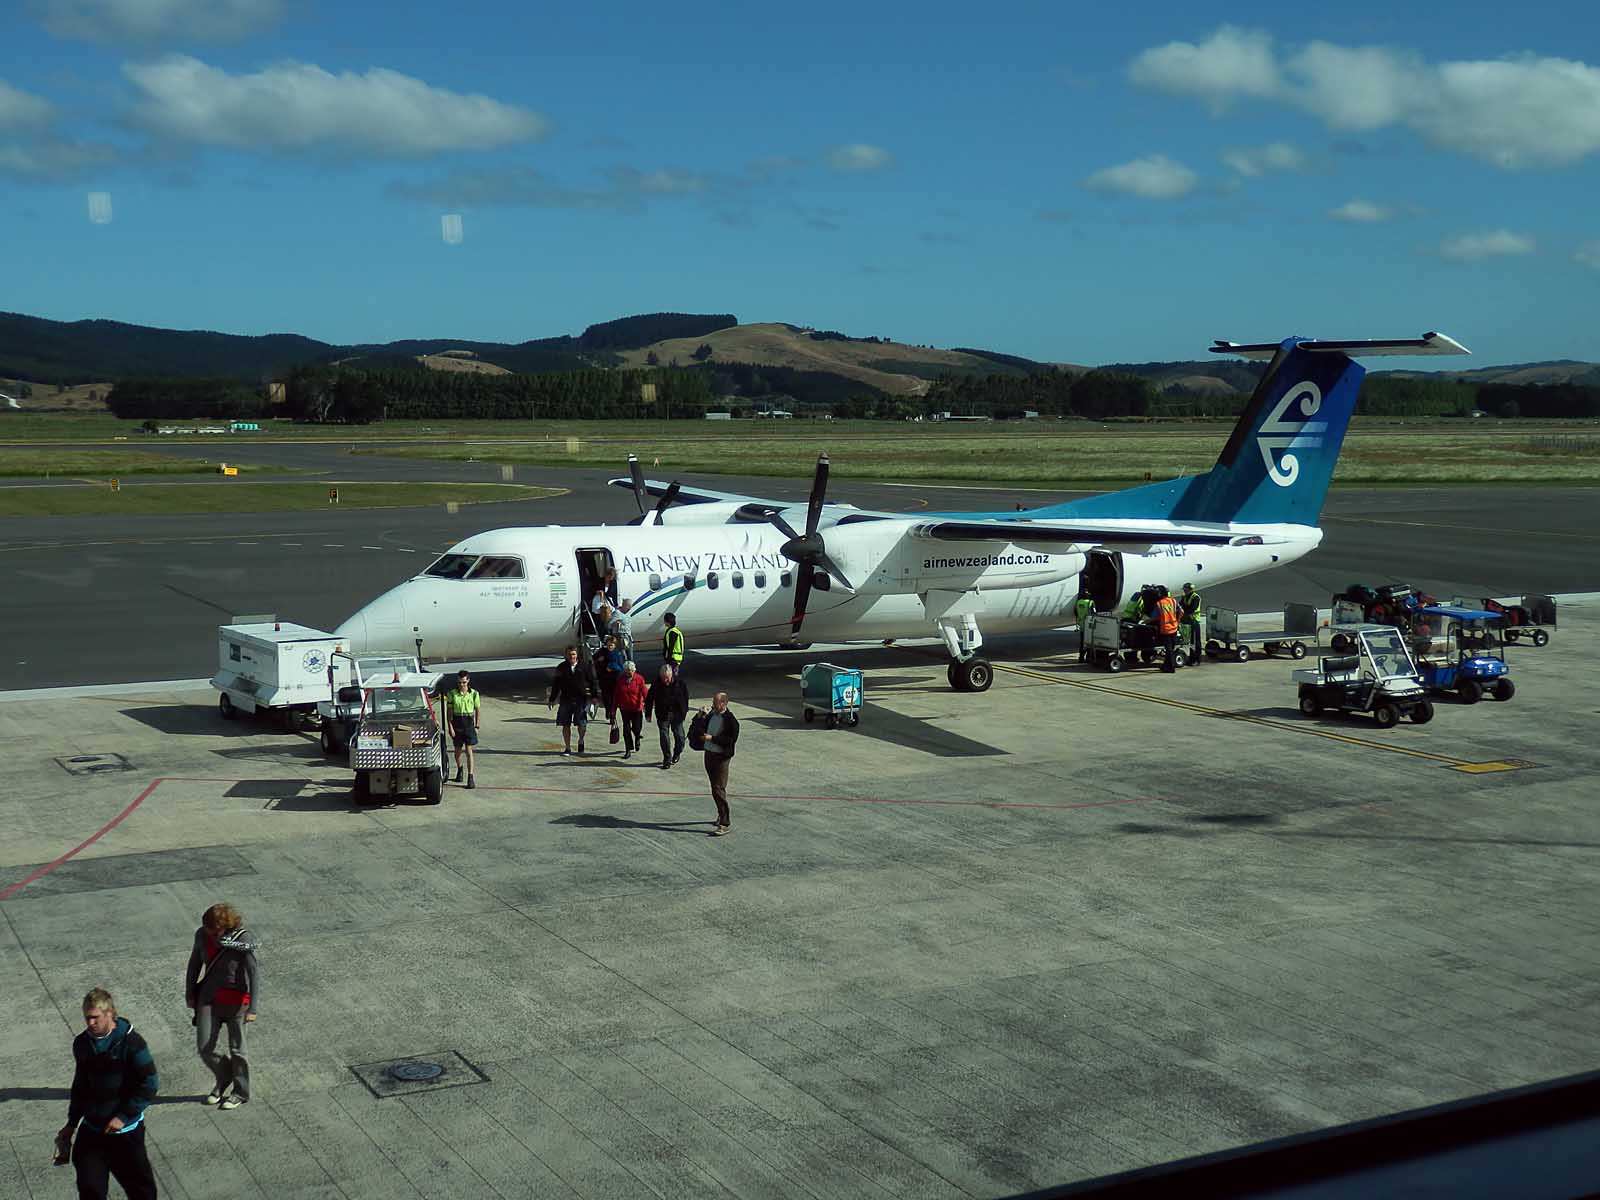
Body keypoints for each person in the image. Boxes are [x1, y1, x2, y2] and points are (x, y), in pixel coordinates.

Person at [60, 987, 160, 1200]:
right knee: (90, 1188)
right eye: (87, 1018)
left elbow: (150, 1083)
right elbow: (80, 1086)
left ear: (110, 1014)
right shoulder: (82, 1044)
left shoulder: (132, 1044)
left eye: (95, 1018)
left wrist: (123, 1117)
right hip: (92, 1130)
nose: (90, 1024)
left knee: (141, 1190)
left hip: (125, 1134)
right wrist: (71, 1123)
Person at [184, 902, 259, 1111]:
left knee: (238, 1051)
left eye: (213, 929)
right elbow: (194, 964)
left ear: (224, 925)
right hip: (209, 998)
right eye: (207, 928)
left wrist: (253, 1008)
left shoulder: (243, 939)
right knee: (205, 1047)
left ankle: (240, 1092)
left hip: (237, 1003)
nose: (209, 932)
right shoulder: (201, 936)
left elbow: (254, 973)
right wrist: (189, 992)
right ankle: (224, 1077)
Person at [691, 691, 740, 836]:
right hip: (709, 754)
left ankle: (724, 823)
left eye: (716, 702)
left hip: (721, 757)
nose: (713, 704)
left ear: (724, 703)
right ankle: (721, 814)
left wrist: (712, 738)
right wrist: (699, 717)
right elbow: (698, 730)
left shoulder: (731, 721)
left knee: (718, 788)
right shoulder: (711, 715)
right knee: (715, 788)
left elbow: (730, 741)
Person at [547, 644, 597, 755]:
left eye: (573, 654)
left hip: (581, 699)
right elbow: (556, 685)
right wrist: (552, 699)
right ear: (566, 655)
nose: (572, 656)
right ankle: (568, 747)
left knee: (581, 724)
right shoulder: (561, 667)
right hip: (566, 699)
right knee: (565, 724)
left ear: (577, 655)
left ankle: (581, 740)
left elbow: (593, 682)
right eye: (569, 654)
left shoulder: (585, 666)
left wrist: (594, 697)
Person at [644, 662, 688, 768]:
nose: (665, 680)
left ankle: (677, 753)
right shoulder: (656, 684)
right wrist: (648, 714)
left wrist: (684, 712)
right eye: (663, 678)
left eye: (667, 678)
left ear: (671, 675)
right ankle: (667, 758)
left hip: (677, 714)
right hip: (662, 714)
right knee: (664, 736)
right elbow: (649, 699)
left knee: (680, 737)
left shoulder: (680, 683)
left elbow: (686, 699)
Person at [444, 669, 481, 788]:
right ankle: (460, 768)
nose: (462, 685)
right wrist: (450, 727)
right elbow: (449, 713)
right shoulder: (452, 694)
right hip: (457, 724)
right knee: (457, 752)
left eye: (464, 682)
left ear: (468, 681)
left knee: (469, 751)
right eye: (460, 682)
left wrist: (477, 725)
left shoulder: (474, 694)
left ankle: (470, 777)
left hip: (469, 723)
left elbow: (477, 710)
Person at [612, 660, 649, 760]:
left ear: (634, 670)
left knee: (637, 728)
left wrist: (647, 705)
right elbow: (616, 695)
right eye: (627, 671)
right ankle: (628, 749)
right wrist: (613, 710)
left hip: (636, 709)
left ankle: (637, 737)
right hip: (625, 709)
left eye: (631, 670)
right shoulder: (620, 680)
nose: (629, 672)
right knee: (626, 730)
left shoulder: (639, 679)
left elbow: (644, 692)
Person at [593, 635, 625, 731]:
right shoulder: (602, 652)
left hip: (614, 678)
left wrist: (614, 668)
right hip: (604, 678)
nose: (610, 647)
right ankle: (608, 710)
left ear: (615, 645)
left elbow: (621, 667)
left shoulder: (617, 654)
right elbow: (594, 659)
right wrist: (599, 661)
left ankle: (612, 714)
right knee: (606, 697)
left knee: (614, 697)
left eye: (612, 645)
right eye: (609, 645)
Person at [1153, 585, 1181, 673]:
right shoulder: (1173, 601)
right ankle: (1166, 665)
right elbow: (1181, 611)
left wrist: (1146, 621)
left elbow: (1155, 617)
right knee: (1171, 648)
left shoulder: (1159, 603)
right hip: (1174, 627)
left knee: (1168, 649)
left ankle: (1171, 667)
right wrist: (1177, 621)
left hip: (1166, 629)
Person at [1179, 582, 1203, 663]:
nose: (1184, 591)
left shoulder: (1195, 597)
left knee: (1196, 642)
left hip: (1194, 621)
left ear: (1189, 589)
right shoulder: (1185, 597)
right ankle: (1192, 658)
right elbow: (1180, 605)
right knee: (1190, 641)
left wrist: (1183, 611)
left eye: (1185, 589)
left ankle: (1197, 659)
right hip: (1188, 621)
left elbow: (1192, 609)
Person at [661, 610, 686, 678]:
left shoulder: (672, 632)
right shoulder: (674, 630)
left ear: (668, 622)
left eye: (665, 621)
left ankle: (674, 687)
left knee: (672, 676)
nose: (664, 622)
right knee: (673, 675)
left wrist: (668, 659)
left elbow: (671, 647)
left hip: (673, 658)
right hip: (676, 658)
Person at [1073, 590, 1095, 662]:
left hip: (1081, 624)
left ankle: (1081, 658)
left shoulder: (1079, 602)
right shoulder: (1090, 603)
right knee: (1089, 642)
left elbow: (1075, 612)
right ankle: (1088, 658)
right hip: (1088, 625)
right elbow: (1094, 613)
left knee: (1082, 642)